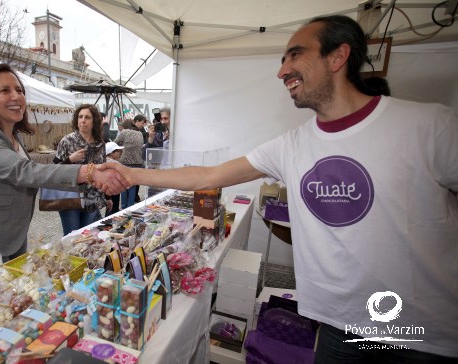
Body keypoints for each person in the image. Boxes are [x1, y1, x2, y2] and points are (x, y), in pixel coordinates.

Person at [101, 15, 458, 362]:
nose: (282, 70)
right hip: (337, 328)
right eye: (282, 59)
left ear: (338, 57)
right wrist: (133, 176)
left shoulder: (429, 126)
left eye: (295, 54)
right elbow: (208, 175)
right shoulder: (291, 145)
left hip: (422, 336)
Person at [0, 64, 127, 277]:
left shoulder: (11, 134)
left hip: (13, 234)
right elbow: (23, 171)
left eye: (19, 90)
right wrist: (88, 172)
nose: (16, 96)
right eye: (4, 90)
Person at [53, 104, 113, 235]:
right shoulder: (67, 141)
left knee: (87, 237)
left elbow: (103, 170)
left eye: (87, 117)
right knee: (72, 236)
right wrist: (70, 159)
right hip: (70, 198)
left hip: (92, 198)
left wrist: (108, 196)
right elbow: (54, 171)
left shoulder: (100, 144)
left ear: (94, 121)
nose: (83, 120)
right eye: (80, 117)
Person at [114, 119, 144, 209]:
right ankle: (130, 207)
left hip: (126, 162)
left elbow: (115, 143)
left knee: (123, 184)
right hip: (138, 163)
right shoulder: (140, 133)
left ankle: (123, 206)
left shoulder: (124, 132)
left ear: (125, 126)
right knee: (132, 185)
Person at [104, 141, 124, 216]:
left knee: (109, 209)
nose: (120, 153)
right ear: (111, 153)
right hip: (114, 189)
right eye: (118, 151)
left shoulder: (104, 161)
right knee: (112, 210)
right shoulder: (114, 164)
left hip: (108, 191)